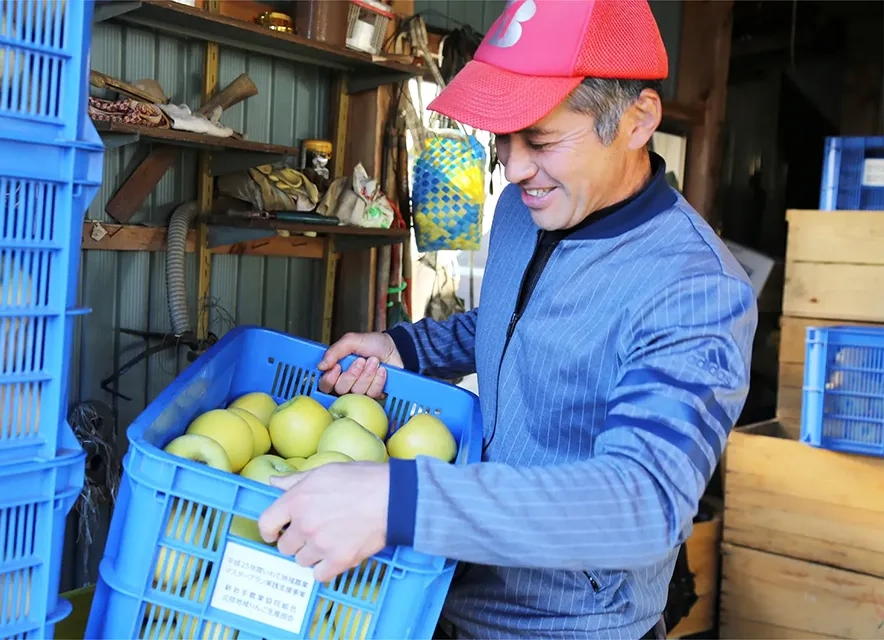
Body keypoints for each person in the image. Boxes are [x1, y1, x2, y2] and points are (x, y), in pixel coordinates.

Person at [257, 0, 758, 638]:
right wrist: (407, 348)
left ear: (637, 121)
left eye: (541, 140)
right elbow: (512, 322)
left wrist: (399, 500)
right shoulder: (529, 209)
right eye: (504, 138)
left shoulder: (693, 290)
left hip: (562, 623)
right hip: (447, 582)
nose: (514, 168)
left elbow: (644, 501)